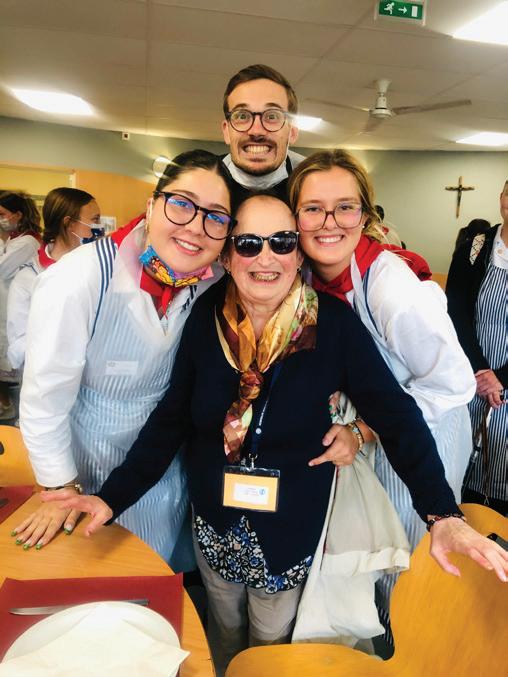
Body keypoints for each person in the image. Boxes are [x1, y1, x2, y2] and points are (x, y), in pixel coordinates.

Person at [40, 195, 507, 675]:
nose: (266, 257)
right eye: (248, 243)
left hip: (290, 528)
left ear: (298, 254)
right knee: (221, 629)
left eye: (282, 242)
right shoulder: (206, 317)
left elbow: (397, 416)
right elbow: (170, 420)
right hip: (215, 521)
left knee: (271, 643)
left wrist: (442, 513)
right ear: (227, 256)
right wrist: (111, 498)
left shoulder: (332, 324)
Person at [13, 150, 235, 569]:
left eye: (216, 217)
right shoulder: (80, 278)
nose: (196, 227)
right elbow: (45, 398)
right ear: (151, 205)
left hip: (164, 451)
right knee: (94, 569)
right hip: (87, 453)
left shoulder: (212, 281)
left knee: (157, 567)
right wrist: (60, 487)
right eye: (182, 204)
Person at [287, 149, 477, 621]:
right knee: (369, 556)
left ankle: (409, 647)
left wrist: (364, 430)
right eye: (313, 209)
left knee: (406, 559)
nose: (329, 223)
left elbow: (453, 383)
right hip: (366, 428)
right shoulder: (307, 275)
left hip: (425, 427)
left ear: (365, 216)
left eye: (345, 207)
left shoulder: (391, 288)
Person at [446, 181, 508, 516]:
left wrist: (501, 378)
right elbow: (455, 311)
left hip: (502, 381)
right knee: (464, 462)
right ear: (501, 198)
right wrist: (480, 370)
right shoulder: (476, 247)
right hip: (470, 377)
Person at [7, 187, 102, 370]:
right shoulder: (28, 278)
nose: (100, 227)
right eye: (95, 220)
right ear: (69, 224)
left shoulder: (99, 269)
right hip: (50, 376)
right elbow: (18, 349)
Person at [221, 64, 305, 202]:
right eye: (242, 116)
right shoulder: (198, 183)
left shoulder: (314, 187)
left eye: (272, 116)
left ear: (292, 132)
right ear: (226, 131)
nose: (256, 131)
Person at [0, 191, 41, 419]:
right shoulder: (13, 240)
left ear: (17, 215)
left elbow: (2, 269)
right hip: (5, 309)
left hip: (14, 312)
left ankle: (16, 415)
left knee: (15, 367)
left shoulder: (28, 242)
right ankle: (7, 408)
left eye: (2, 214)